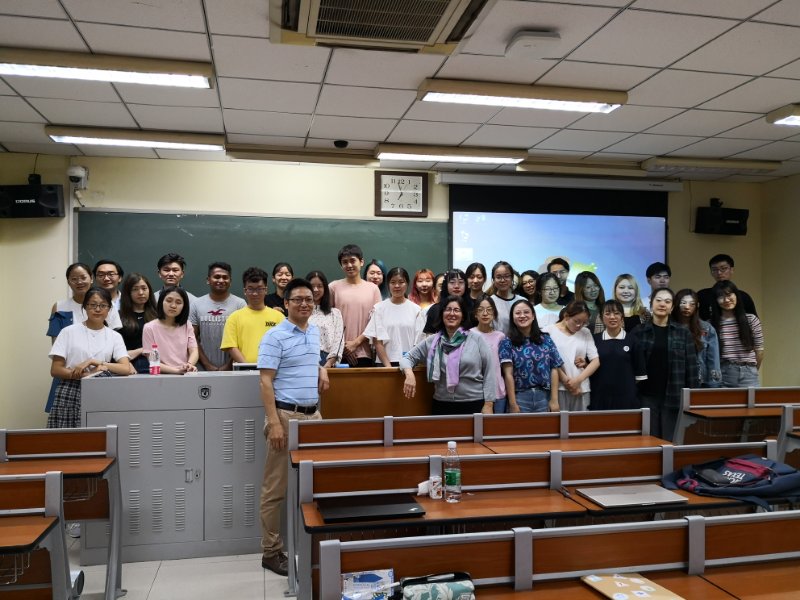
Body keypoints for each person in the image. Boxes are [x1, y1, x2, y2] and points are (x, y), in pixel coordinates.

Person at [257, 278, 329, 576]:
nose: (304, 304)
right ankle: (271, 551)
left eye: (309, 299)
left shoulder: (314, 331)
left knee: (316, 485)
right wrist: (274, 423)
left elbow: (306, 361)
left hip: (314, 417)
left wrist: (321, 369)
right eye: (297, 299)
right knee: (275, 488)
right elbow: (265, 380)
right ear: (285, 303)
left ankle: (312, 544)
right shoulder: (274, 336)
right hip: (286, 417)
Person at [48, 287, 131, 428]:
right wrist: (87, 375)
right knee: (66, 436)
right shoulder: (68, 332)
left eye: (103, 305)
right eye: (93, 305)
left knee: (98, 435)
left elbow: (125, 368)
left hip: (101, 390)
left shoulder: (115, 336)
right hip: (70, 389)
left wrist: (93, 362)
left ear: (109, 309)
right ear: (85, 307)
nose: (97, 309)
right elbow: (56, 370)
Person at [401, 295, 495, 415]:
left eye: (456, 310)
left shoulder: (477, 339)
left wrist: (489, 404)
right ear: (442, 314)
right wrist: (409, 375)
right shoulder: (433, 341)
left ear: (463, 316)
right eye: (448, 309)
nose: (452, 313)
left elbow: (490, 372)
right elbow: (407, 358)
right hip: (441, 403)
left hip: (474, 403)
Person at [633, 288, 699, 441]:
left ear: (672, 307)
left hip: (674, 395)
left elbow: (692, 368)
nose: (662, 304)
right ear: (651, 304)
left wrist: (692, 396)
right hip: (646, 395)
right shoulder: (639, 331)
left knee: (671, 441)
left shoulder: (682, 333)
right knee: (648, 440)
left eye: (667, 301)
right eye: (658, 300)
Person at [499, 299, 562, 413]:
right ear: (512, 318)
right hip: (520, 397)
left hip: (544, 396)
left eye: (526, 312)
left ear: (533, 316)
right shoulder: (507, 342)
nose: (522, 316)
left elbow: (554, 369)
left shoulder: (546, 339)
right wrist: (513, 403)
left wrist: (554, 400)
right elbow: (508, 374)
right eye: (518, 313)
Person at [329, 244, 382, 367]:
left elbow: (376, 322)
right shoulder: (333, 287)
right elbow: (328, 321)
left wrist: (356, 343)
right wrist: (342, 347)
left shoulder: (373, 289)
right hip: (337, 354)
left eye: (352, 261)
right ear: (341, 265)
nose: (349, 265)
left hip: (365, 354)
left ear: (361, 262)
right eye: (345, 262)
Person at [220, 267, 285, 364]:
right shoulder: (234, 317)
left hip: (274, 369)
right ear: (245, 291)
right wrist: (247, 366)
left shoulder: (279, 317)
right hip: (244, 370)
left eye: (259, 289)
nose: (255, 293)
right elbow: (231, 346)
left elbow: (285, 345)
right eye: (250, 289)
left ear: (266, 290)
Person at [189, 262, 246, 371]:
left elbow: (242, 339)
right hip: (203, 369)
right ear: (208, 280)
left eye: (225, 277)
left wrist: (229, 365)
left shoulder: (240, 304)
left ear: (230, 281)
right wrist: (207, 365)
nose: (221, 280)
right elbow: (192, 338)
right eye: (217, 277)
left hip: (233, 369)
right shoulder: (196, 304)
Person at [544, 301, 600, 412]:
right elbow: (549, 360)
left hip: (581, 387)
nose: (579, 326)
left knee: (581, 421)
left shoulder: (585, 332)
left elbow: (595, 361)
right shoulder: (548, 331)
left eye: (584, 323)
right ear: (566, 316)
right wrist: (568, 382)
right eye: (576, 321)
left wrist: (578, 381)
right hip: (558, 388)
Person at [710, 280, 764, 388]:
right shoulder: (711, 324)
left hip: (748, 373)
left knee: (751, 399)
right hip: (722, 372)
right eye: (721, 296)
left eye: (729, 294)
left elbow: (759, 351)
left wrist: (751, 370)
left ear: (736, 295)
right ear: (715, 300)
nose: (726, 300)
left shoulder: (751, 320)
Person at [590, 300, 642, 411]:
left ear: (622, 317)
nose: (612, 317)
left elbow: (639, 375)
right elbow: (589, 368)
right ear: (601, 317)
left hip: (626, 397)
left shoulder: (633, 340)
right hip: (599, 397)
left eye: (617, 313)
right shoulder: (594, 340)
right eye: (607, 313)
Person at [363, 267, 420, 367]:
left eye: (401, 282)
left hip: (410, 364)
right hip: (384, 364)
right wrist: (388, 367)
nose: (397, 286)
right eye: (393, 282)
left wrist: (410, 364)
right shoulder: (379, 308)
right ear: (388, 284)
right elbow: (377, 341)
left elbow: (418, 342)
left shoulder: (416, 310)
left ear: (407, 284)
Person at [142, 286, 198, 374]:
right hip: (161, 376)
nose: (173, 306)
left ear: (184, 306)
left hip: (185, 374)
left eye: (178, 302)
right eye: (169, 301)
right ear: (161, 302)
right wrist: (177, 371)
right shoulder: (149, 327)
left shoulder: (187, 325)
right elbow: (152, 361)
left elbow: (194, 350)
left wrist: (189, 365)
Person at [672, 289, 722, 388]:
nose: (687, 307)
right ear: (676, 304)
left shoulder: (706, 328)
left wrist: (714, 384)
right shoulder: (668, 326)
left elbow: (713, 359)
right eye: (683, 303)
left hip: (698, 379)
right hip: (673, 378)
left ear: (697, 306)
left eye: (692, 304)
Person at [472, 295, 507, 413]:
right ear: (475, 314)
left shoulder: (500, 336)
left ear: (494, 314)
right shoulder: (469, 335)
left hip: (498, 391)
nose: (485, 313)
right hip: (476, 392)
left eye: (489, 310)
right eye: (481, 310)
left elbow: (505, 367)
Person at [698, 254, 758, 321]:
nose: (719, 272)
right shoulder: (702, 295)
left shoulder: (743, 297)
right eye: (714, 269)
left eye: (723, 268)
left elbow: (753, 322)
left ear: (732, 270)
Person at [119, 273, 158, 374]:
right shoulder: (119, 317)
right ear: (128, 292)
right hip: (130, 368)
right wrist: (143, 350)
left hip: (158, 366)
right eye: (135, 289)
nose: (141, 293)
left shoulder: (159, 315)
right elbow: (115, 350)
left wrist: (143, 350)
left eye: (144, 288)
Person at [306, 270, 345, 368]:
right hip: (305, 360)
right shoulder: (301, 312)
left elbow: (338, 341)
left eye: (319, 286)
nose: (315, 289)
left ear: (325, 289)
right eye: (312, 286)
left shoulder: (334, 313)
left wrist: (329, 363)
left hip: (327, 360)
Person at [422, 269, 472, 336]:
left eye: (461, 282)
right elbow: (429, 336)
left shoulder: (472, 308)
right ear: (446, 285)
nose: (456, 286)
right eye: (452, 282)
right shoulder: (435, 309)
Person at [489, 261, 523, 335]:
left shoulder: (522, 301)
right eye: (498, 277)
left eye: (507, 276)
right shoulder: (489, 302)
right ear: (493, 279)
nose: (503, 280)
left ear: (512, 278)